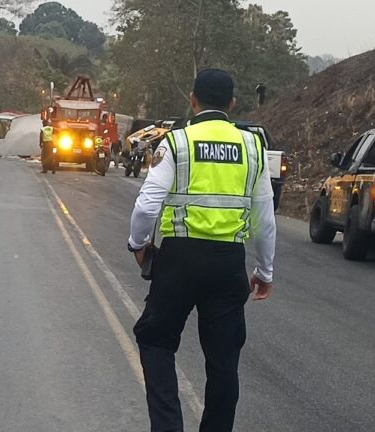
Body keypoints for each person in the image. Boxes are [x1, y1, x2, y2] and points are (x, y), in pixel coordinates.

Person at [128, 69, 276, 432]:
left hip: (179, 260)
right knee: (224, 361)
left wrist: (138, 244)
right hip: (228, 265)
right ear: (232, 103)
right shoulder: (253, 146)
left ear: (192, 100)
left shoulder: (177, 142)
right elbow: (265, 218)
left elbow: (148, 205)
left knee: (156, 340)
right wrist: (265, 271)